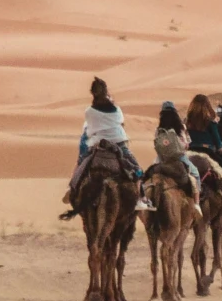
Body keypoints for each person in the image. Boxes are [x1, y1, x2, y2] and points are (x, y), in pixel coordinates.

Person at [61, 77, 147, 218]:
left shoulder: (89, 111)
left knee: (82, 164)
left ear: (92, 93)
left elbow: (90, 130)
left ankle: (71, 188)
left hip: (98, 144)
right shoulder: (117, 110)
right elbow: (120, 123)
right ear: (106, 91)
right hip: (118, 144)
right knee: (137, 170)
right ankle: (139, 198)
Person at [185, 93, 222, 187]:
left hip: (190, 151)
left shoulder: (187, 122)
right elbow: (218, 144)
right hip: (209, 152)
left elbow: (185, 140)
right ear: (207, 106)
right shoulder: (210, 122)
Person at [150, 100, 198, 198]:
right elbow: (187, 144)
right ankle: (197, 203)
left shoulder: (158, 130)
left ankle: (145, 199)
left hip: (161, 160)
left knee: (148, 177)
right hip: (180, 158)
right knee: (196, 174)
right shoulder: (181, 128)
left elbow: (156, 145)